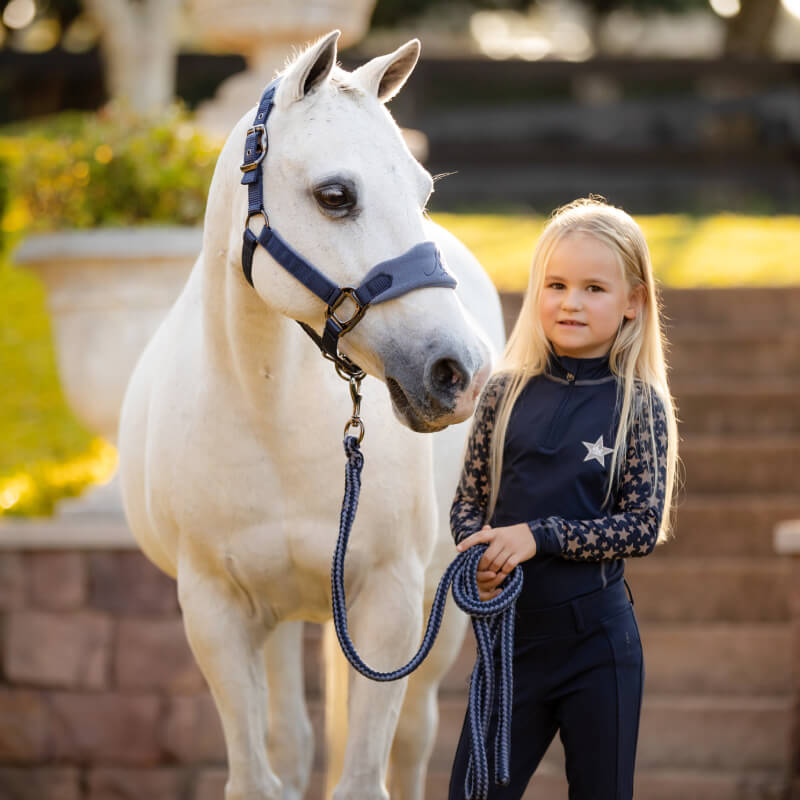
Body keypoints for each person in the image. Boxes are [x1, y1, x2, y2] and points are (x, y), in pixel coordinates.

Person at [448, 196, 679, 800]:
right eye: (556, 284)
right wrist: (482, 556)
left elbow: (640, 527)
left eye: (594, 288)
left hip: (598, 648)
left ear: (633, 302)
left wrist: (535, 536)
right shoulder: (502, 393)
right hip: (509, 649)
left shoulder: (639, 404)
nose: (571, 302)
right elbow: (468, 503)